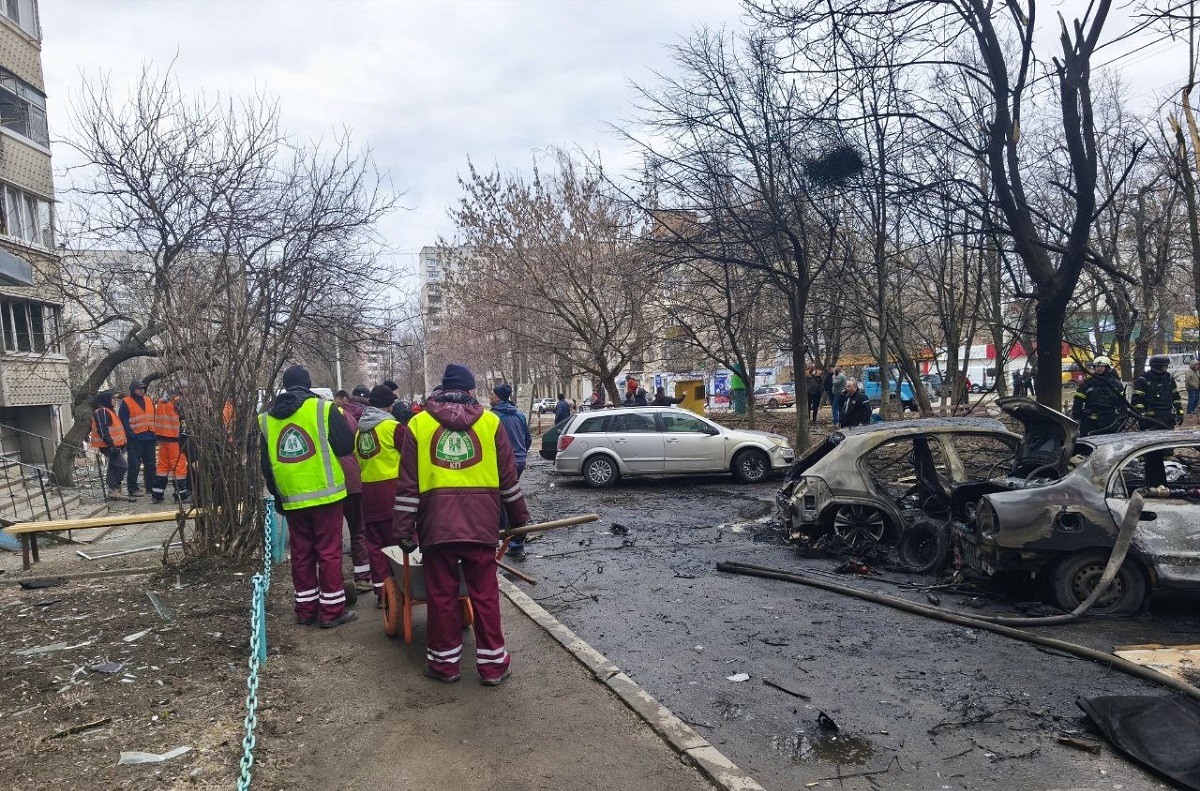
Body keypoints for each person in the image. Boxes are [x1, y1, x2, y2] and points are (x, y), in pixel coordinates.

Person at [393, 363, 530, 685]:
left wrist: (403, 530)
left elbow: (408, 485)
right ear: (470, 391)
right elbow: (508, 479)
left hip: (437, 526)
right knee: (485, 594)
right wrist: (519, 519)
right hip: (481, 526)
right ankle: (493, 666)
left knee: (442, 596)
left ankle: (444, 665)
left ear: (442, 390)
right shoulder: (490, 423)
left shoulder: (419, 424)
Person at [260, 365, 358, 628]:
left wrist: (278, 496)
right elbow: (346, 445)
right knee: (329, 552)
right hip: (326, 496)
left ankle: (305, 610)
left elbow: (266, 465)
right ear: (308, 384)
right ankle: (332, 611)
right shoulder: (322, 409)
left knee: (301, 554)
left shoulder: (267, 419)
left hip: (292, 498)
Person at [355, 385, 407, 603]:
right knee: (397, 544)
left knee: (375, 546)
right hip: (392, 492)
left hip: (368, 494)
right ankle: (401, 591)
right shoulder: (392, 427)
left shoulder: (360, 432)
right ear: (389, 405)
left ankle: (382, 594)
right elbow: (411, 455)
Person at [489, 383, 532, 558]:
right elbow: (528, 439)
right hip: (519, 459)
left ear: (499, 397)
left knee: (504, 501)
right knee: (511, 497)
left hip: (504, 462)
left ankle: (513, 542)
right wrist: (520, 453)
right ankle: (515, 542)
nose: (490, 396)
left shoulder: (493, 417)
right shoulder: (519, 414)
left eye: (492, 394)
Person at [335, 388, 369, 594]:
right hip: (355, 479)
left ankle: (335, 581)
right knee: (358, 530)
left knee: (333, 535)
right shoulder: (357, 418)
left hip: (332, 484)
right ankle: (363, 577)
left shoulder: (328, 416)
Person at [90, 391, 133, 502]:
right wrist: (111, 445)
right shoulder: (102, 411)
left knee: (113, 466)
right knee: (123, 466)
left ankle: (113, 491)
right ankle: (114, 488)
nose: (115, 400)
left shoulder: (108, 410)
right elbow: (102, 430)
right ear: (107, 400)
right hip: (108, 445)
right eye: (113, 398)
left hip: (115, 445)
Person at [151, 385, 190, 504]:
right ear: (181, 389)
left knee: (162, 466)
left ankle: (157, 495)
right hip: (175, 439)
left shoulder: (161, 401)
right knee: (179, 466)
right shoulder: (178, 401)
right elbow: (184, 419)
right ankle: (181, 495)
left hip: (162, 438)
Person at [118, 379, 157, 498]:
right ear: (133, 390)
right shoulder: (126, 402)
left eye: (143, 388)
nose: (141, 390)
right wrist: (131, 436)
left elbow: (154, 417)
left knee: (151, 464)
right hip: (135, 439)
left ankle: (151, 487)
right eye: (139, 389)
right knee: (134, 465)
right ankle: (133, 489)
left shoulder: (148, 400)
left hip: (150, 437)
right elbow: (124, 421)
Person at [1072, 356, 1127, 436]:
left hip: (1110, 422)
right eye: (1097, 366)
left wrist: (1122, 422)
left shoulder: (1116, 384)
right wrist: (1076, 419)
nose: (1099, 368)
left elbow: (1123, 404)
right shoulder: (1088, 383)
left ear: (1107, 368)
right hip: (1090, 422)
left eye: (1102, 366)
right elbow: (1078, 403)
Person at [1132, 354, 1183, 431]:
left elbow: (1176, 397)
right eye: (1165, 366)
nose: (1167, 367)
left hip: (1168, 419)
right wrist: (1142, 416)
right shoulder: (1143, 380)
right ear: (1157, 366)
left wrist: (1180, 412)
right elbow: (1136, 401)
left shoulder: (1169, 379)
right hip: (1150, 421)